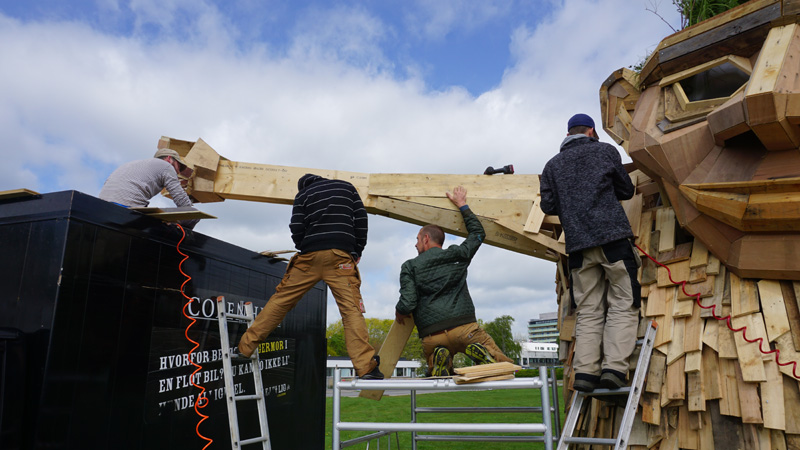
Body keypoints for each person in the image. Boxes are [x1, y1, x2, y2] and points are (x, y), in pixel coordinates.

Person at [238, 174, 383, 379]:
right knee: (351, 311)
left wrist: (305, 246)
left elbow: (296, 227)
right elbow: (361, 219)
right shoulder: (347, 187)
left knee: (280, 301)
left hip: (308, 258)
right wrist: (357, 250)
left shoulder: (303, 194)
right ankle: (366, 368)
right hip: (339, 257)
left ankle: (244, 348)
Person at [539, 113, 640, 392]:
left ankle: (584, 373)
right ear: (592, 131)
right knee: (623, 302)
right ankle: (614, 369)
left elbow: (548, 207)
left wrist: (572, 204)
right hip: (613, 240)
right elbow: (626, 190)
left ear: (568, 134)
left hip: (579, 247)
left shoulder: (552, 165)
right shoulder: (605, 151)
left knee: (589, 310)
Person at [394, 186, 513, 377]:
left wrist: (400, 310)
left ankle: (440, 357)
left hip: (433, 335)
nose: (415, 244)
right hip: (465, 329)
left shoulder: (410, 266)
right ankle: (483, 354)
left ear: (426, 239)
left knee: (437, 368)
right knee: (501, 364)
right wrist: (462, 205)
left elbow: (408, 302)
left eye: (417, 239)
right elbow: (478, 234)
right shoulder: (457, 254)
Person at [99, 148, 198, 229]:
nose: (178, 172)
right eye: (178, 166)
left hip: (102, 208)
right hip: (126, 210)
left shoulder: (134, 164)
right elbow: (184, 205)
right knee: (193, 216)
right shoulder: (167, 167)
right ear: (169, 159)